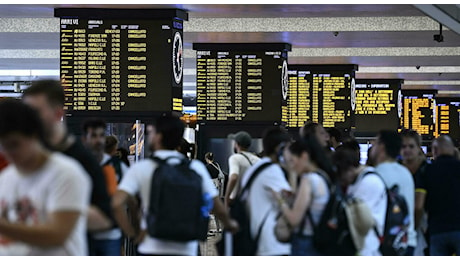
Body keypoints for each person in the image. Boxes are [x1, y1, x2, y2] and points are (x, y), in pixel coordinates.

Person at [111, 114, 238, 256]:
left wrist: (132, 234)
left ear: (158, 137)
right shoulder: (195, 168)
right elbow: (218, 208)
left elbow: (116, 204)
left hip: (151, 247)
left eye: (151, 132)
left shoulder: (143, 168)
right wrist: (231, 226)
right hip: (186, 248)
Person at [22, 80, 115, 250]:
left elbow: (104, 219)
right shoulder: (24, 154)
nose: (28, 120)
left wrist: (56, 211)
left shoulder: (82, 161)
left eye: (35, 112)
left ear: (58, 114)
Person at [0, 99, 91, 255]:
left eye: (14, 144)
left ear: (34, 135)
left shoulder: (66, 174)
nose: (8, 153)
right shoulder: (7, 177)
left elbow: (57, 234)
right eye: (2, 146)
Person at [269, 135, 334, 256]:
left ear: (304, 156)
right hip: (319, 241)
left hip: (305, 243)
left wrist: (280, 200)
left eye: (292, 161)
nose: (291, 167)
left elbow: (294, 219)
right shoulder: (322, 176)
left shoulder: (308, 180)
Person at [240, 126, 292, 256]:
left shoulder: (257, 168)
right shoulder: (272, 171)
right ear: (279, 149)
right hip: (272, 241)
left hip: (259, 237)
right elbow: (291, 200)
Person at [333, 140, 387, 256]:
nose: (343, 182)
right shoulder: (357, 181)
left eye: (342, 177)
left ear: (350, 169)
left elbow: (357, 218)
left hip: (367, 246)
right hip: (361, 245)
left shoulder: (369, 182)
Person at [370, 130, 417, 255]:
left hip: (386, 243)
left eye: (375, 142)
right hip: (407, 241)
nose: (372, 145)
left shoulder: (377, 174)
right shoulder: (406, 173)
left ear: (382, 147)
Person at [81, 119, 122, 256]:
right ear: (84, 139)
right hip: (84, 233)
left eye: (101, 136)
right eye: (93, 136)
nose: (98, 140)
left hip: (110, 234)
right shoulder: (76, 165)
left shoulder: (117, 166)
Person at [415, 135, 460, 256]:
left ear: (434, 150)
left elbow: (418, 205)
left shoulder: (426, 171)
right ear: (452, 149)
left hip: (437, 230)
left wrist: (416, 227)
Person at [399, 129, 430, 255]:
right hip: (399, 223)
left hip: (424, 224)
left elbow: (419, 206)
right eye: (403, 146)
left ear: (418, 148)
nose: (407, 150)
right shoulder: (397, 169)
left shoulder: (426, 170)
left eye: (411, 146)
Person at [224, 131, 260, 208]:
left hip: (239, 202)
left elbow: (234, 177)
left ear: (237, 144)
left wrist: (226, 198)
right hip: (255, 202)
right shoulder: (258, 160)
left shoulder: (235, 158)